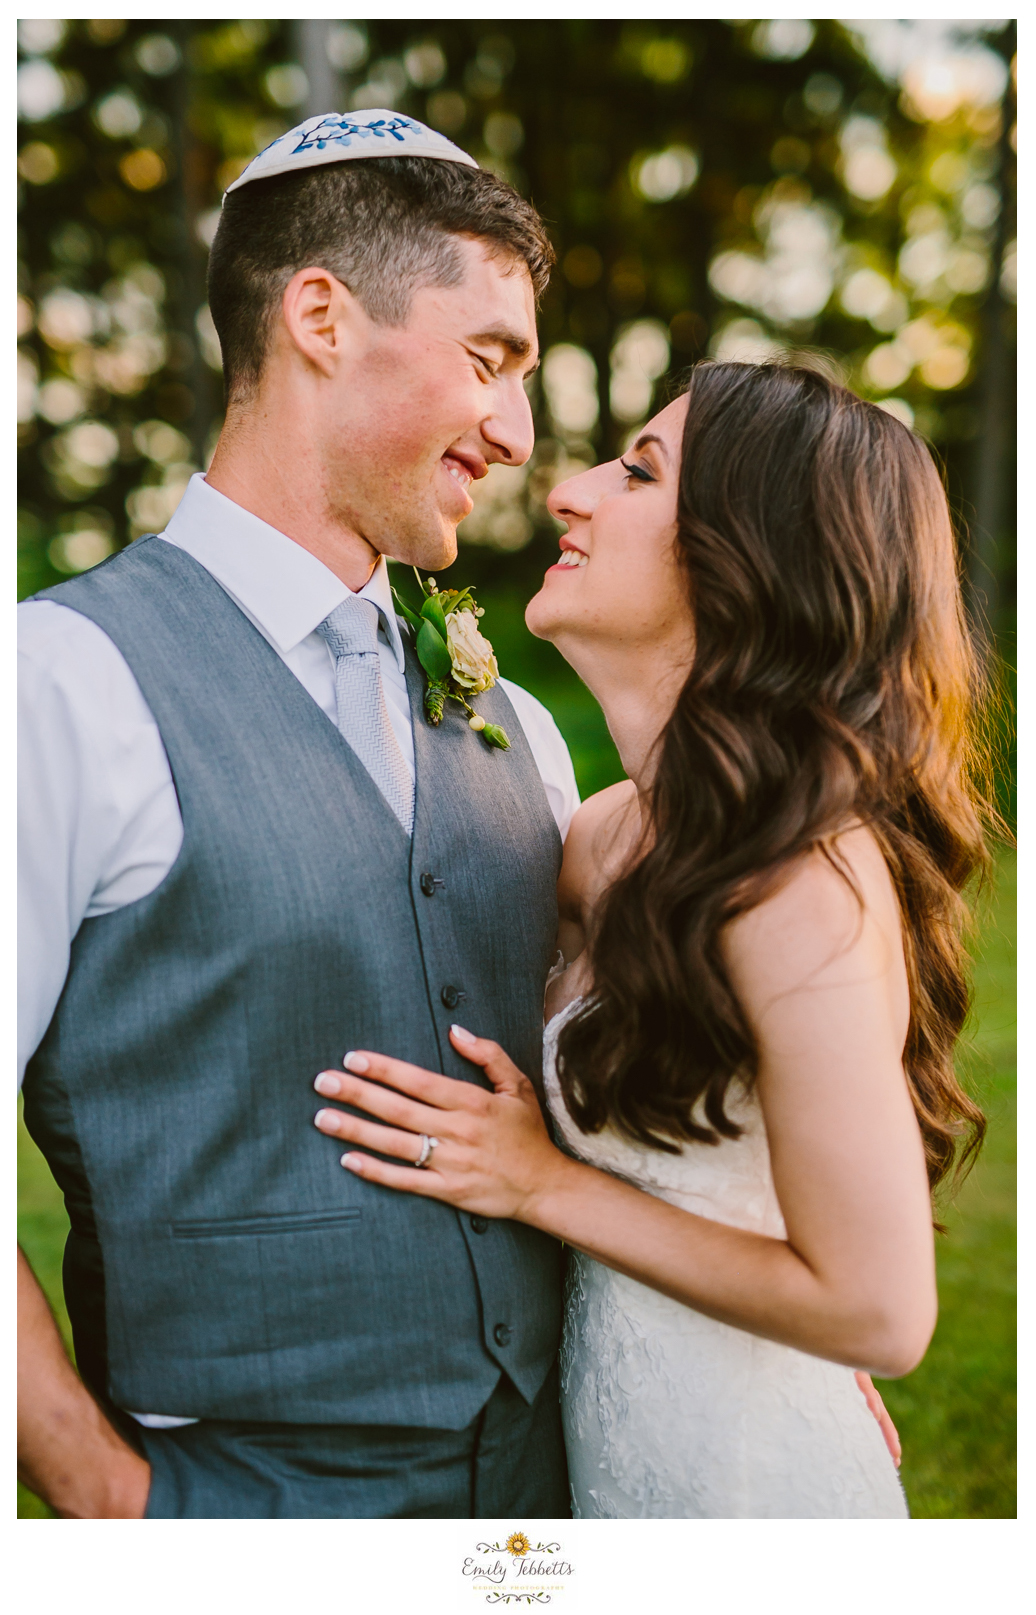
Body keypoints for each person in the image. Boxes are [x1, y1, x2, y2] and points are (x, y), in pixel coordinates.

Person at [305, 361, 991, 1518]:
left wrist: (537, 1183)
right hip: (609, 1464)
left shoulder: (798, 878)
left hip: (757, 1489)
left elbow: (880, 1310)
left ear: (751, 555)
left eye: (638, 472)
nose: (569, 490)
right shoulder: (599, 840)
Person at [17, 112, 580, 1519]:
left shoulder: (513, 720)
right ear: (321, 313)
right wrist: (101, 1493)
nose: (516, 431)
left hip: (548, 1511)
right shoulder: (59, 680)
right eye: (489, 358)